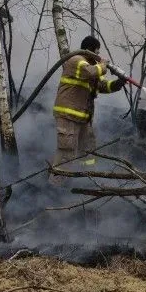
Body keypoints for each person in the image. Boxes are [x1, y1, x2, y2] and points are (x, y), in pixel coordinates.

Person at [51, 36, 126, 184]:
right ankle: (57, 185)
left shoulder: (90, 66)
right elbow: (90, 72)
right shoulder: (76, 61)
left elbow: (102, 86)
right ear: (91, 50)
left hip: (83, 118)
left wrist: (119, 83)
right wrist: (103, 65)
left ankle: (83, 179)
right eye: (97, 51)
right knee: (67, 151)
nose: (99, 56)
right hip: (68, 115)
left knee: (88, 150)